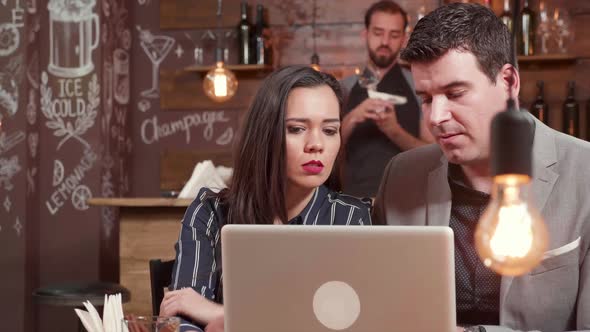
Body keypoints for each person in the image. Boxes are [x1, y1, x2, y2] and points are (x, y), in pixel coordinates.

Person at [373, 3, 590, 332]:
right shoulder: (400, 176)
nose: (436, 118)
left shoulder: (585, 173)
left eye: (455, 93)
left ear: (508, 82)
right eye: (427, 98)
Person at [159, 65, 372, 332]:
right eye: (296, 129)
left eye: (330, 130)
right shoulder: (211, 213)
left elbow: (348, 325)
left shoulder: (351, 219)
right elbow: (180, 320)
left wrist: (220, 314)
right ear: (265, 135)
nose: (316, 144)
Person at [339, 0, 434, 198]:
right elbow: (327, 148)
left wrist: (393, 130)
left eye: (394, 35)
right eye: (378, 33)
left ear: (404, 39)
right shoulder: (345, 88)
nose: (385, 42)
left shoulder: (417, 86)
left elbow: (433, 154)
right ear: (365, 34)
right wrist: (354, 116)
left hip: (407, 200)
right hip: (351, 200)